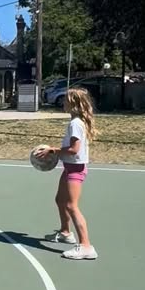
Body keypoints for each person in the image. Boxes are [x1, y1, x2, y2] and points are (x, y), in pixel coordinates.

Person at [39, 87, 98, 260]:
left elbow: (74, 150)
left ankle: (86, 246)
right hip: (70, 168)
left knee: (72, 206)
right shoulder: (76, 122)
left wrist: (53, 150)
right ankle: (66, 233)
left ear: (73, 103)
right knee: (60, 200)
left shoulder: (76, 124)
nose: (63, 102)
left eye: (65, 100)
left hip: (76, 169)